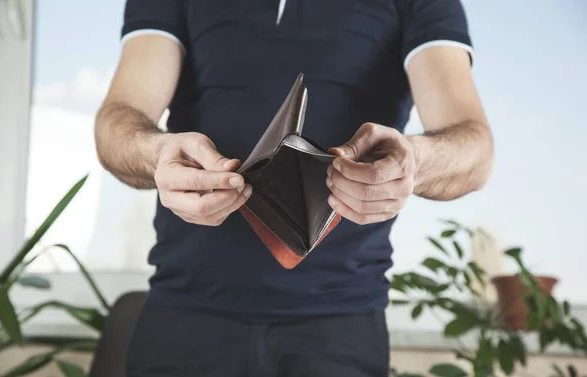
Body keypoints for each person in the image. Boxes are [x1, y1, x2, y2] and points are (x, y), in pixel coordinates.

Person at [95, 0, 493, 375]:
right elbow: (118, 123)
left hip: (339, 324)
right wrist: (156, 153)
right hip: (184, 313)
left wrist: (414, 163)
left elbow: (474, 149)